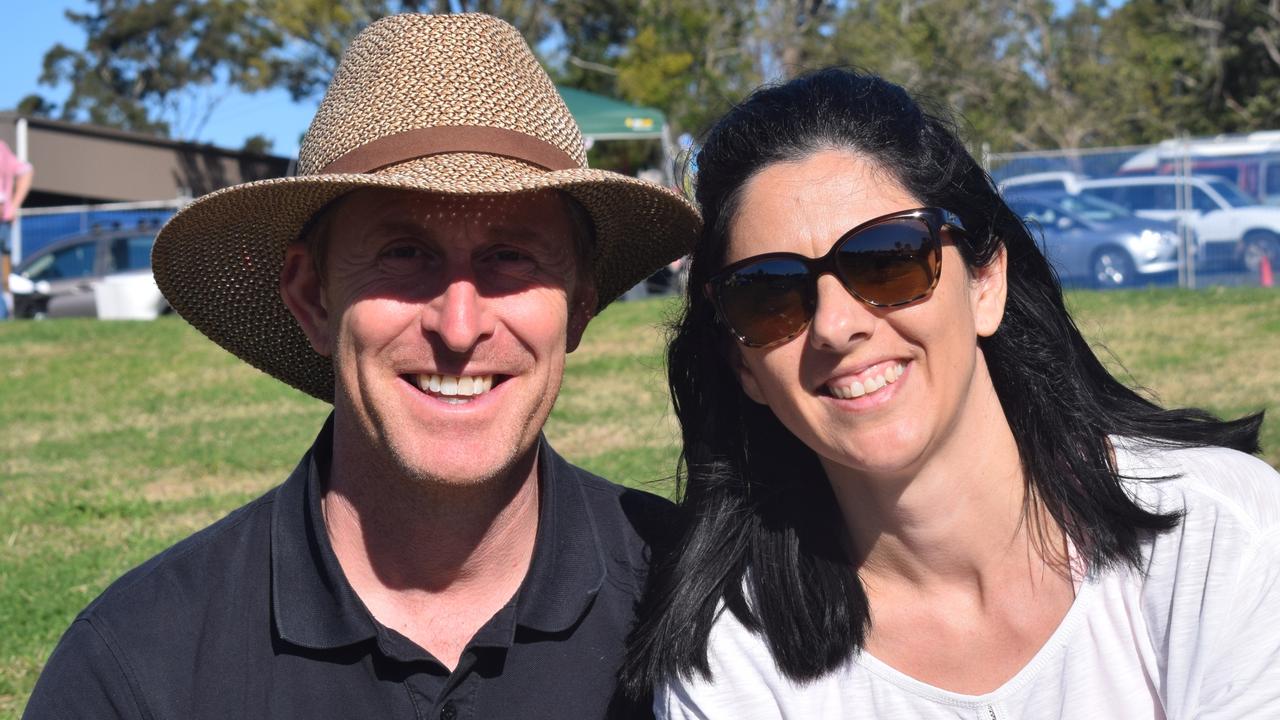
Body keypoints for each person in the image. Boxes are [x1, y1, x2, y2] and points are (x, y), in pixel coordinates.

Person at [23, 13, 698, 720]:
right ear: (312, 298)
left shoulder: (704, 608)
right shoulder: (138, 668)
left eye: (512, 257)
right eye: (405, 253)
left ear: (580, 304)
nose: (459, 327)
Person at [622, 67, 1279, 718]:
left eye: (887, 258)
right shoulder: (733, 667)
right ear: (741, 363)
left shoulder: (1221, 535)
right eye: (768, 292)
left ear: (985, 281)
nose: (836, 325)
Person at [1, 138, 34, 319]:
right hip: (4, 222)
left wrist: (10, 206)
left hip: (2, 221)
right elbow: (26, 170)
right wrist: (12, 206)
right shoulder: (2, 147)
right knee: (3, 272)